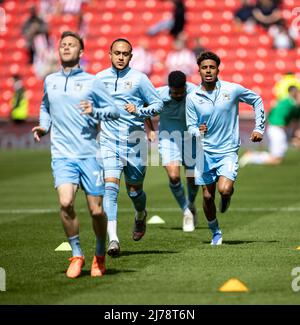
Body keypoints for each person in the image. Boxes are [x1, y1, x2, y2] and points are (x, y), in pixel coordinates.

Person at [32, 31, 119, 278]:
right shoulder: (50, 81)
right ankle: (77, 253)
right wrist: (44, 125)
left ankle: (99, 254)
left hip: (90, 154)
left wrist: (95, 110)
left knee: (96, 211)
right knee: (66, 202)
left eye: (71, 45)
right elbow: (45, 106)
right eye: (63, 45)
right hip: (62, 155)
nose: (66, 47)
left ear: (81, 52)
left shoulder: (93, 82)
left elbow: (113, 111)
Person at [186, 51, 265, 245]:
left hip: (228, 150)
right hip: (204, 151)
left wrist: (258, 128)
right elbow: (190, 126)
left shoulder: (232, 90)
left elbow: (257, 100)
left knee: (225, 189)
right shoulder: (192, 97)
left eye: (211, 67)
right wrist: (198, 131)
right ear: (199, 71)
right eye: (204, 68)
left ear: (217, 69)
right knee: (206, 196)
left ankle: (227, 196)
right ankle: (215, 232)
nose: (208, 71)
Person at [96, 38, 163, 257]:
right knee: (110, 189)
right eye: (117, 53)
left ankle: (141, 214)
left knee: (135, 192)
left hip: (135, 143)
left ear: (131, 56)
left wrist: (139, 112)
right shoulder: (98, 79)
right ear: (110, 54)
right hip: (108, 142)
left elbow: (157, 105)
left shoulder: (139, 79)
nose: (121, 57)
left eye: (125, 54)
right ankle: (113, 239)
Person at [157, 70, 201, 232]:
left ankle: (191, 203)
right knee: (174, 176)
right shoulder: (158, 95)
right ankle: (186, 211)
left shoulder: (195, 92)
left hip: (191, 138)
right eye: (174, 93)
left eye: (180, 92)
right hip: (168, 138)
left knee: (192, 178)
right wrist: (149, 129)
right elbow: (143, 107)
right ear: (169, 88)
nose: (177, 95)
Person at [239, 86, 300, 166]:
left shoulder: (284, 102)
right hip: (277, 130)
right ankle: (252, 157)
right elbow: (286, 120)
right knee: (275, 160)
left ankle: (252, 155)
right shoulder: (289, 104)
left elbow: (272, 113)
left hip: (275, 129)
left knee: (277, 158)